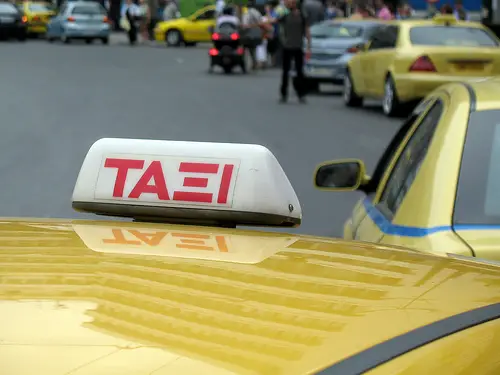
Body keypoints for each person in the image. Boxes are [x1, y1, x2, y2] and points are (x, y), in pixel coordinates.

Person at [273, 0, 311, 103]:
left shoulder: (302, 16)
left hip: (298, 47)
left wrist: (308, 47)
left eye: (290, 3)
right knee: (285, 71)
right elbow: (274, 21)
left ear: (295, 4)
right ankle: (284, 94)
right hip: (287, 47)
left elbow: (307, 32)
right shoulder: (285, 16)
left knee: (300, 71)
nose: (288, 4)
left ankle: (301, 94)